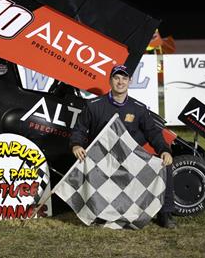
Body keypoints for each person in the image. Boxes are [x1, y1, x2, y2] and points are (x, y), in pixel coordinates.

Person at [69, 64, 176, 228]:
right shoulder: (94, 105)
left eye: (124, 78)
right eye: (116, 78)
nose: (120, 82)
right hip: (103, 162)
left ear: (130, 81)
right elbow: (80, 130)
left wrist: (164, 150)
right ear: (110, 80)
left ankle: (165, 214)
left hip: (130, 161)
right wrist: (76, 145)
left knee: (165, 165)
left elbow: (153, 134)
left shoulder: (139, 109)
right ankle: (95, 212)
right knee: (81, 162)